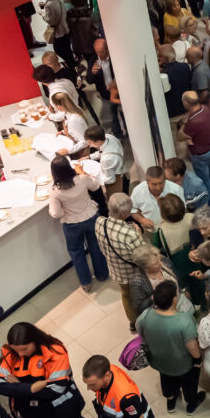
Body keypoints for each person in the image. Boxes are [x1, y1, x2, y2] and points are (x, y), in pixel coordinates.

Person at [0, 322, 95, 418]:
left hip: (64, 406)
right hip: (37, 414)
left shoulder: (55, 350)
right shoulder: (8, 352)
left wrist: (18, 386)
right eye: (16, 350)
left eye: (25, 349)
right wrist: (31, 388)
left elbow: (56, 389)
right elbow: (1, 386)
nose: (20, 354)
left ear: (35, 340)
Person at [136, 281, 206, 415]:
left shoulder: (145, 315)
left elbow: (140, 332)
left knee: (166, 379)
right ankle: (191, 403)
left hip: (159, 361)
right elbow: (192, 347)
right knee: (189, 383)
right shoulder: (183, 321)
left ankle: (171, 401)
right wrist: (198, 360)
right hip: (183, 364)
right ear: (174, 299)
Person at [48, 156, 109, 293]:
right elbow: (95, 185)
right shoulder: (81, 180)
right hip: (91, 217)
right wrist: (82, 172)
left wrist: (64, 211)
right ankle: (102, 274)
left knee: (77, 253)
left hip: (71, 224)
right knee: (96, 247)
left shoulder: (55, 191)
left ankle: (86, 282)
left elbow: (56, 213)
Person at [95, 193, 143, 331]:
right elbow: (141, 255)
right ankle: (142, 322)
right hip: (134, 273)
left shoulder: (99, 222)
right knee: (139, 296)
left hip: (115, 269)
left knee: (126, 295)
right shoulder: (131, 234)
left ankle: (133, 323)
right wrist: (139, 234)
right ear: (124, 214)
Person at [129, 245, 194, 316]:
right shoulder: (137, 282)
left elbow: (178, 276)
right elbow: (139, 309)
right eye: (155, 263)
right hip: (163, 315)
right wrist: (154, 297)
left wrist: (184, 289)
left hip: (180, 303)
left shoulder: (164, 261)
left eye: (159, 258)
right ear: (144, 267)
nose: (160, 263)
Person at [130, 166, 184, 232]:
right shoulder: (138, 191)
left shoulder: (176, 190)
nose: (158, 188)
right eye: (154, 184)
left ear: (165, 180)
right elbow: (132, 210)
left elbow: (182, 211)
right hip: (150, 231)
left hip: (173, 230)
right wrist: (142, 220)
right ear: (147, 182)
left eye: (161, 183)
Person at [84, 125, 125, 196]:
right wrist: (89, 157)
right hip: (119, 167)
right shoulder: (109, 136)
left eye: (90, 143)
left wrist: (92, 177)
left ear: (98, 142)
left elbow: (110, 180)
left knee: (114, 199)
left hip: (115, 179)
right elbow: (103, 151)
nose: (89, 145)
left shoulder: (106, 159)